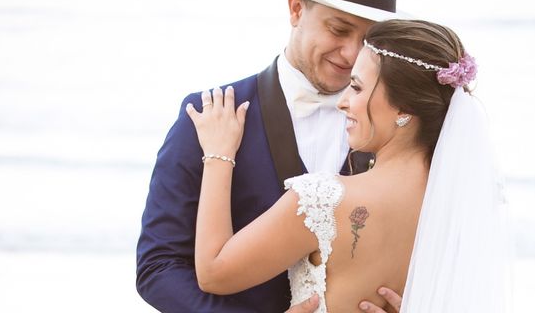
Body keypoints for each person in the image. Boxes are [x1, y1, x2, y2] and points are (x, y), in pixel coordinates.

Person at [136, 0, 407, 312]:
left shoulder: (395, 129)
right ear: (296, 9)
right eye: (339, 29)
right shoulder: (208, 114)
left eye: (367, 40)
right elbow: (158, 267)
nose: (351, 54)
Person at [187, 19, 510, 312]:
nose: (342, 102)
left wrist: (218, 155)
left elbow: (214, 272)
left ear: (403, 109)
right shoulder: (465, 206)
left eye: (356, 87)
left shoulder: (323, 200)